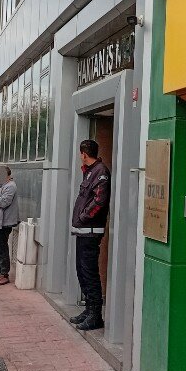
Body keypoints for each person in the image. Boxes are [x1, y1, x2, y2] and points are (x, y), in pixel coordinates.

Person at [69, 139, 111, 331]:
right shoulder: (90, 171)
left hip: (91, 232)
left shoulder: (100, 172)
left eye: (81, 154)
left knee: (89, 273)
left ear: (84, 154)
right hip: (83, 232)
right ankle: (88, 309)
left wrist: (83, 217)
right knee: (81, 271)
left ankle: (95, 316)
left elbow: (99, 201)